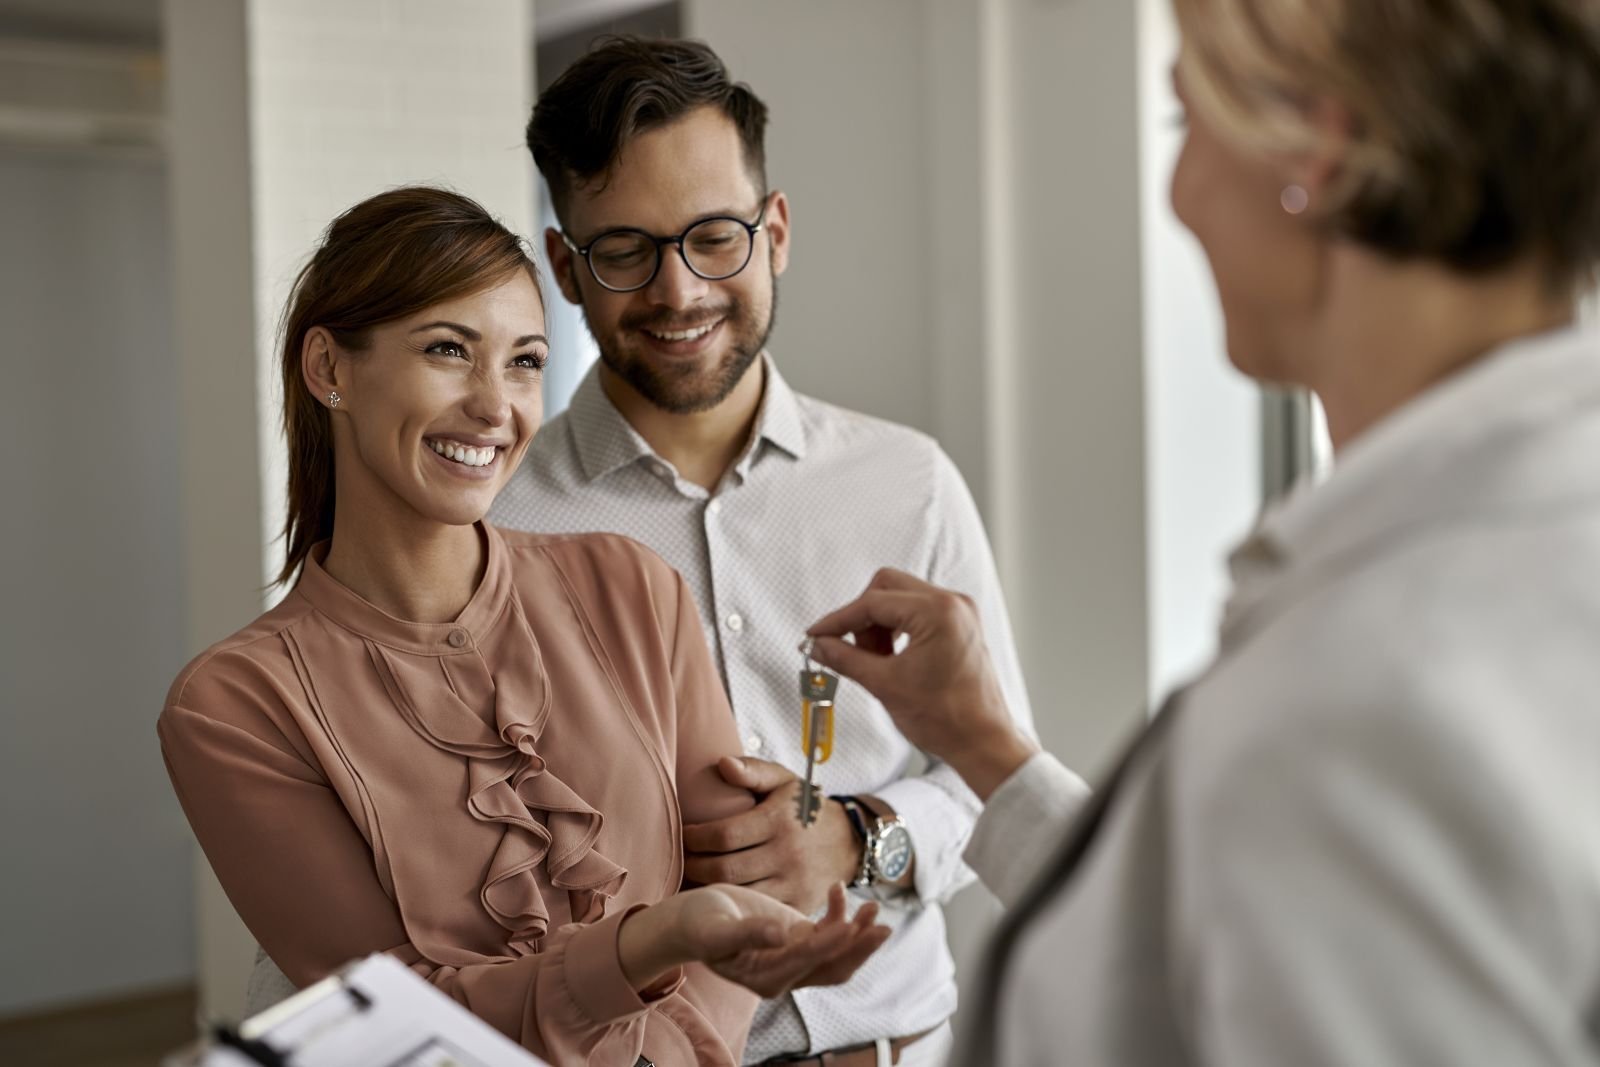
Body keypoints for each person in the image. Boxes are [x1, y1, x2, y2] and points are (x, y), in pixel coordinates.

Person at [806, 1, 1600, 1063]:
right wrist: (987, 749)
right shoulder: (1515, 555)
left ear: (1314, 146)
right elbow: (1222, 938)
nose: (1179, 197)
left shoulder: (1373, 693)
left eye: (1185, 125)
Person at [157, 186, 888, 1067]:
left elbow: (728, 892)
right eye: (447, 351)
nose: (494, 406)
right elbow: (391, 1018)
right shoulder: (235, 705)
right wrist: (649, 943)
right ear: (329, 369)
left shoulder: (632, 587)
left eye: (526, 362)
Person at [489, 36, 1054, 1066]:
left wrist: (857, 836)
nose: (678, 291)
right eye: (624, 250)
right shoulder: (496, 521)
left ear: (775, 230)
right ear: (565, 268)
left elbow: (990, 773)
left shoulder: (908, 480)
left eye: (714, 236)